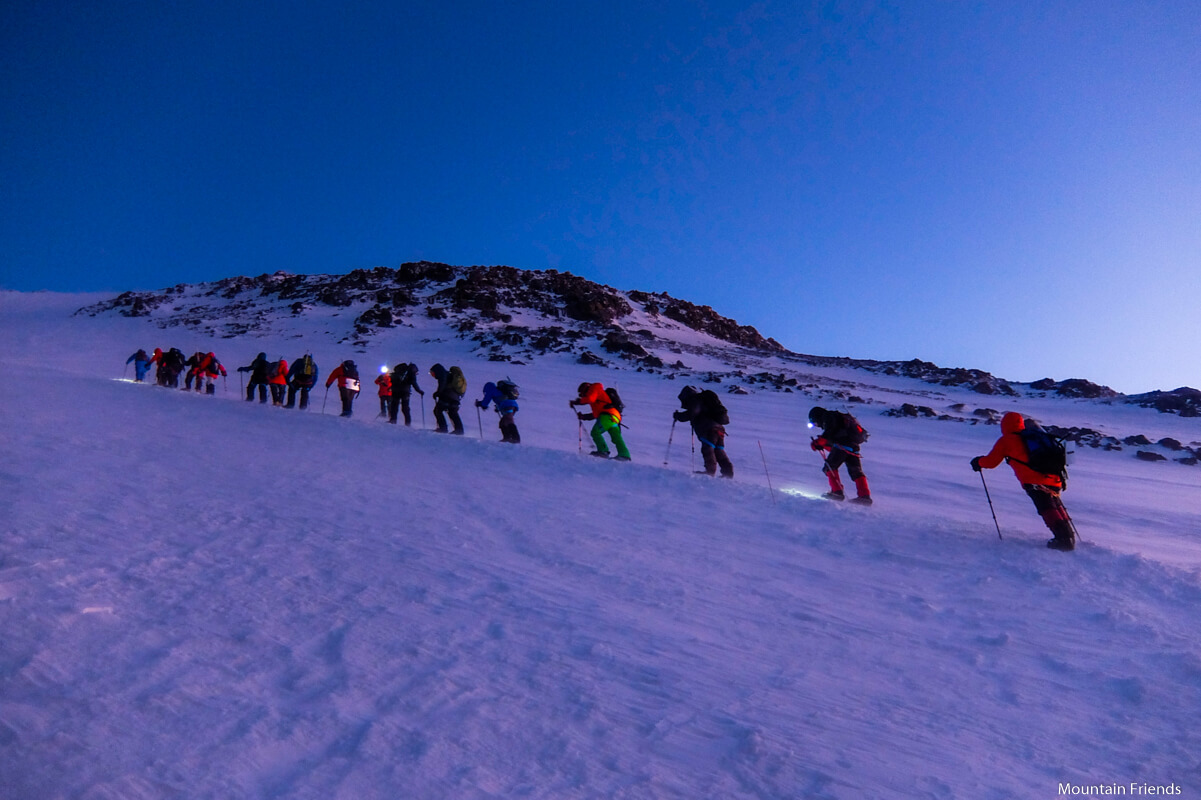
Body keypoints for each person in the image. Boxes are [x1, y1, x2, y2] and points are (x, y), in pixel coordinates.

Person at [971, 411, 1076, 551]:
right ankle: (1068, 535)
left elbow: (991, 462)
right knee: (1056, 506)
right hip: (1055, 478)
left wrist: (978, 462)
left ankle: (1063, 540)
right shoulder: (1033, 436)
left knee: (1046, 508)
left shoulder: (1007, 440)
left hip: (1034, 481)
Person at [808, 406, 871, 504]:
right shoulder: (839, 417)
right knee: (856, 471)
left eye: (814, 423)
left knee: (829, 467)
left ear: (816, 417)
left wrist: (820, 442)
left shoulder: (828, 416)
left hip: (842, 445)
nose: (816, 425)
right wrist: (823, 444)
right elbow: (834, 436)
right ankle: (865, 496)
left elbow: (830, 430)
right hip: (853, 447)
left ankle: (837, 492)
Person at [673, 385, 733, 477]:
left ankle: (710, 472)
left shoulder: (695, 399)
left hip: (708, 429)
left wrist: (678, 416)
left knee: (707, 448)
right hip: (719, 429)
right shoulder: (705, 400)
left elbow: (693, 413)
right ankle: (728, 472)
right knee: (718, 450)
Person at [571, 382, 630, 461]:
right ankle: (624, 455)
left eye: (582, 394)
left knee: (595, 432)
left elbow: (590, 399)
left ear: (585, 389)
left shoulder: (595, 388)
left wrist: (577, 402)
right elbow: (595, 415)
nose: (583, 396)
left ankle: (603, 451)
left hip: (607, 415)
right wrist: (583, 416)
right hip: (615, 417)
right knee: (616, 437)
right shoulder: (597, 398)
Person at [476, 379, 521, 443]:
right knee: (503, 422)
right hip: (512, 405)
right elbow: (500, 399)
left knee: (509, 420)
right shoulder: (498, 391)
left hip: (507, 406)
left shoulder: (491, 390)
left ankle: (515, 438)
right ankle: (507, 438)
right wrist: (498, 408)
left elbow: (486, 401)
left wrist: (480, 404)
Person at [429, 363, 466, 434]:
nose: (433, 375)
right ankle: (459, 430)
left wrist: (438, 393)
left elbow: (442, 385)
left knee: (438, 410)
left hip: (447, 396)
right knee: (452, 412)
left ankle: (443, 428)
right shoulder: (448, 375)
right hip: (455, 398)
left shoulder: (442, 375)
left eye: (432, 373)